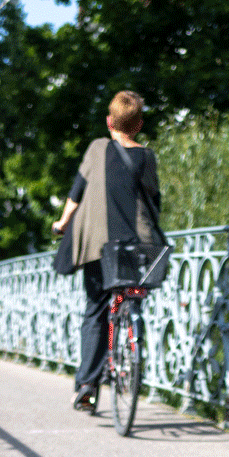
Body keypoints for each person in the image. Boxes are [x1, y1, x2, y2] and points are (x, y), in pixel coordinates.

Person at [52, 90, 161, 412]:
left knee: (96, 310)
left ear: (109, 121)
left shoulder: (97, 148)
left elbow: (76, 192)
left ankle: (87, 384)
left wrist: (61, 223)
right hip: (135, 245)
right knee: (131, 295)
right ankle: (131, 343)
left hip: (97, 245)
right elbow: (154, 201)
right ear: (139, 124)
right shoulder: (146, 157)